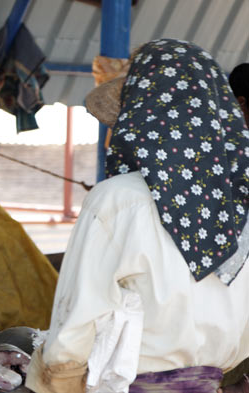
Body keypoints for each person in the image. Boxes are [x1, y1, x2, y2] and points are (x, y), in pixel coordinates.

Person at [26, 39, 249, 393]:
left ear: (140, 116)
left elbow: (74, 328)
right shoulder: (241, 199)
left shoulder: (118, 200)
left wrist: (58, 379)